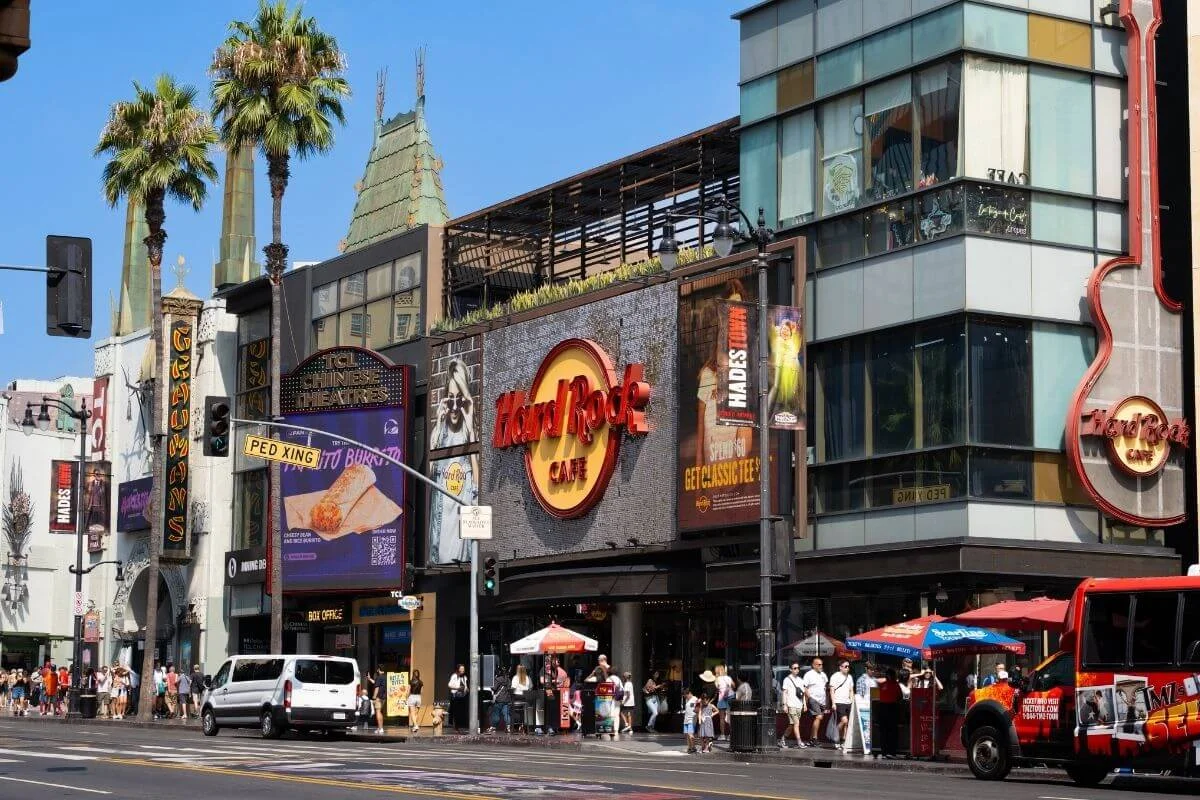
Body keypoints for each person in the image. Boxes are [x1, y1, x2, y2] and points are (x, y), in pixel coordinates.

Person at [801, 657, 830, 748]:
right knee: (819, 717)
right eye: (819, 664)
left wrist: (827, 702)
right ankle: (814, 738)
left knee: (817, 719)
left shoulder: (823, 675)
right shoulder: (808, 675)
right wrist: (809, 697)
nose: (821, 666)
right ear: (813, 665)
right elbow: (804, 687)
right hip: (813, 699)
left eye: (822, 664)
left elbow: (826, 688)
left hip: (822, 700)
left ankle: (811, 740)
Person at [875, 668, 902, 759]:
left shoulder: (882, 685)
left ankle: (884, 752)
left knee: (883, 732)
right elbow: (900, 697)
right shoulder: (896, 685)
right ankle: (891, 752)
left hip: (882, 708)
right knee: (892, 731)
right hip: (892, 708)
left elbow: (877, 697)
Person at [830, 660, 854, 749]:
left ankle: (843, 741)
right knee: (844, 721)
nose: (847, 668)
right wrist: (833, 703)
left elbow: (851, 690)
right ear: (840, 667)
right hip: (839, 702)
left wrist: (852, 701)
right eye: (845, 666)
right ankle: (836, 736)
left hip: (848, 702)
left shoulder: (850, 677)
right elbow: (831, 690)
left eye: (848, 666)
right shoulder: (835, 676)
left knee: (847, 724)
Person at [780, 661, 805, 749]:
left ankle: (782, 739)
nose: (797, 670)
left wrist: (804, 704)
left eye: (798, 668)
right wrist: (784, 704)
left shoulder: (801, 680)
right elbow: (784, 692)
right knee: (796, 723)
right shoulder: (787, 679)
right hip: (791, 705)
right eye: (794, 668)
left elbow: (803, 694)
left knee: (791, 725)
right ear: (790, 669)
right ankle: (799, 742)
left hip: (799, 705)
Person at [714, 664, 734, 740]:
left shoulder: (717, 679)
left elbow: (717, 688)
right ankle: (730, 735)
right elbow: (733, 686)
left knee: (722, 718)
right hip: (730, 697)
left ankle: (722, 735)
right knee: (730, 717)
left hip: (722, 698)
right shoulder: (728, 678)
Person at [487, 668, 510, 734]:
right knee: (506, 713)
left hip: (499, 699)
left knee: (496, 714)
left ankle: (493, 727)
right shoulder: (508, 680)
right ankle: (509, 727)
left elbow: (493, 688)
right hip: (506, 699)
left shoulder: (498, 679)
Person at [510, 664, 532, 734]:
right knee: (523, 710)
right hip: (525, 698)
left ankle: (516, 725)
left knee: (513, 709)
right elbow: (530, 688)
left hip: (517, 697)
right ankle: (524, 724)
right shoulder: (528, 678)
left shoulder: (515, 678)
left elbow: (513, 688)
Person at [447, 664, 468, 733]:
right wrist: (457, 688)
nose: (463, 670)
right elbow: (449, 685)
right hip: (456, 696)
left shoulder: (464, 677)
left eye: (463, 669)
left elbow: (465, 685)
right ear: (458, 669)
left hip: (463, 696)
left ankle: (461, 727)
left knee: (462, 712)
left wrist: (467, 689)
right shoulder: (455, 676)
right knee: (456, 712)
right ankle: (456, 727)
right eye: (461, 669)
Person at [682, 686, 697, 754]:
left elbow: (698, 708)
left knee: (690, 734)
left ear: (689, 693)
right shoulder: (687, 700)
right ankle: (689, 747)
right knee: (687, 734)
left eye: (686, 695)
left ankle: (694, 747)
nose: (685, 697)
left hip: (692, 718)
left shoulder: (695, 699)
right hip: (686, 719)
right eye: (684, 695)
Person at [408, 669, 424, 733]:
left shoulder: (411, 681)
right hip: (418, 697)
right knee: (416, 713)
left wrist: (406, 697)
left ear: (413, 674)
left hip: (412, 697)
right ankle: (415, 727)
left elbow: (408, 690)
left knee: (412, 713)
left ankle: (416, 725)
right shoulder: (421, 682)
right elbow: (422, 692)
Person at [372, 666, 386, 734]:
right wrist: (369, 679)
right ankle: (380, 728)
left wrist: (374, 697)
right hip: (384, 697)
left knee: (378, 712)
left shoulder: (379, 677)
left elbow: (377, 688)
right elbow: (377, 683)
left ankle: (380, 728)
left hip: (378, 697)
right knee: (380, 712)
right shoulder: (385, 677)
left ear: (378, 669)